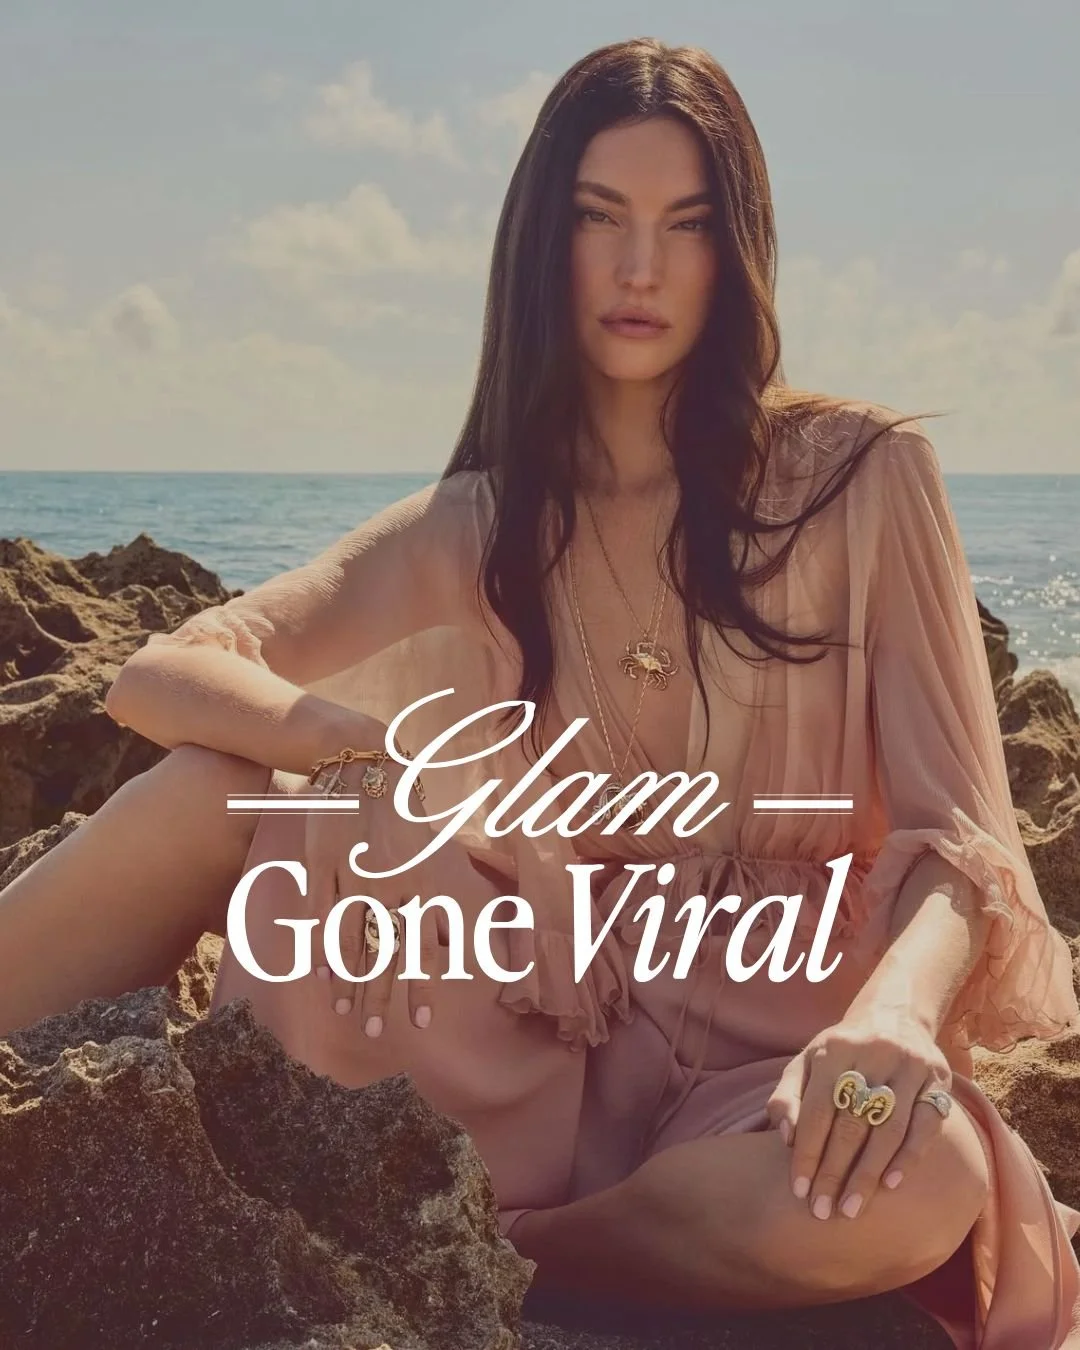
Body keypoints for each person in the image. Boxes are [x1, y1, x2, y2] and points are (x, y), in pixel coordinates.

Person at [2, 35, 1078, 1349]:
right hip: (536, 1042)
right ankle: (500, 1227)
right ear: (542, 245)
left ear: (733, 254)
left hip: (782, 1074)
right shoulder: (479, 524)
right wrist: (405, 765)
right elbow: (160, 673)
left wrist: (895, 1013)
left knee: (926, 1179)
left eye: (684, 226)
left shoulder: (862, 481)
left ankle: (507, 1253)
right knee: (219, 787)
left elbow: (958, 842)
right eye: (599, 219)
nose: (639, 269)